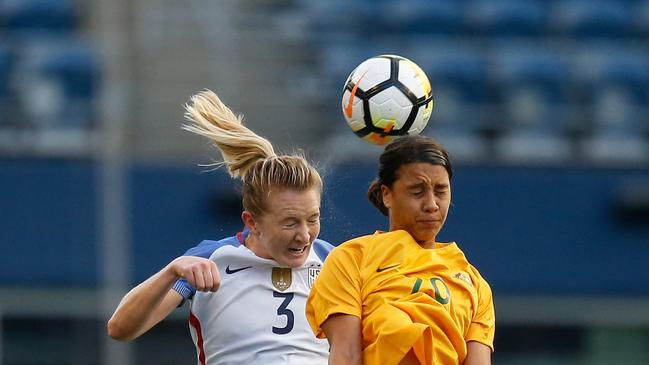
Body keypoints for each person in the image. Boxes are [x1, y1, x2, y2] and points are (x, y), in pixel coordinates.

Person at [107, 89, 331, 364]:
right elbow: (121, 329)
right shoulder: (211, 261)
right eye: (289, 223)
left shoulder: (335, 261)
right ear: (252, 223)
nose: (304, 234)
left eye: (312, 219)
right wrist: (171, 271)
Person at [306, 135, 495, 365]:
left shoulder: (475, 285)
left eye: (441, 191)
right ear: (387, 195)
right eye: (417, 191)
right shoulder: (351, 259)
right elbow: (346, 355)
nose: (431, 204)